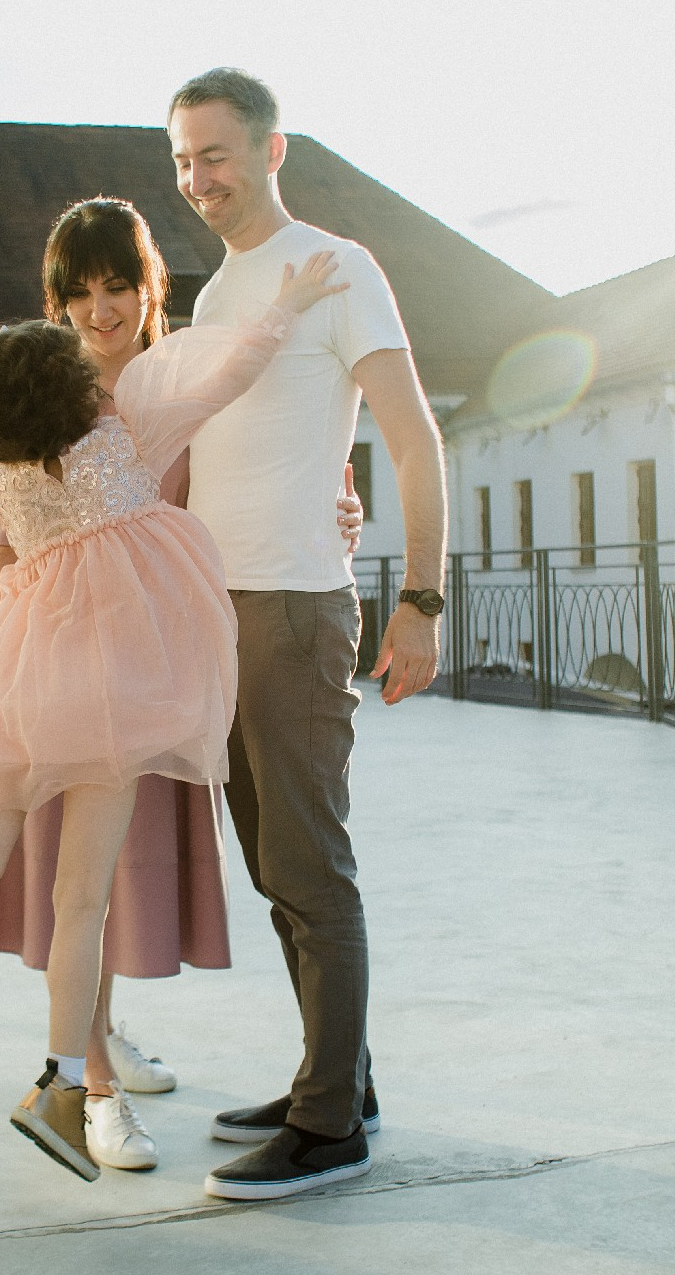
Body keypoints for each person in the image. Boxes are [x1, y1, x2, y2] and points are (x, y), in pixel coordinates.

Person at [0, 249, 348, 1182]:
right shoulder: (122, 437)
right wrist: (286, 305)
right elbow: (231, 372)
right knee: (79, 901)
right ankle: (59, 1082)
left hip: (22, 675)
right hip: (116, 693)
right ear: (73, 391)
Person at [167, 68, 448, 1201]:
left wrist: (420, 601)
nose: (199, 179)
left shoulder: (337, 269)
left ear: (272, 151)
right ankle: (338, 1078)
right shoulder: (215, 296)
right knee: (275, 866)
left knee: (312, 866)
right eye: (182, 159)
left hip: (291, 605)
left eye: (217, 155)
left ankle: (330, 1128)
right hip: (218, 606)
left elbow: (417, 439)